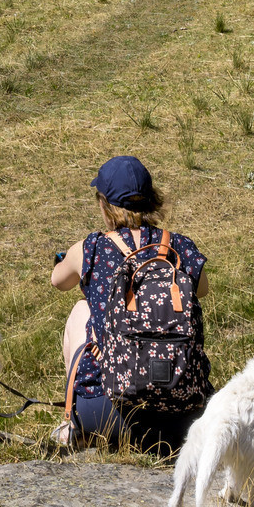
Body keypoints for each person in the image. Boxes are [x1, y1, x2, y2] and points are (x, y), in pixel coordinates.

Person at [49, 154, 212, 455]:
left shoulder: (92, 248)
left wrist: (67, 259)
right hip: (185, 418)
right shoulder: (180, 246)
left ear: (104, 204)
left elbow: (57, 281)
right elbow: (201, 289)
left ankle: (73, 423)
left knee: (80, 310)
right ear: (152, 200)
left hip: (106, 414)